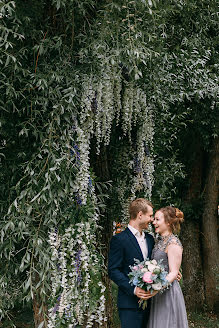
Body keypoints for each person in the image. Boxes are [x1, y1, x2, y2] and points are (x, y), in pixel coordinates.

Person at [108, 198, 155, 328]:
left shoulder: (150, 239)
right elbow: (113, 270)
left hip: (150, 304)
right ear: (140, 215)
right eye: (150, 216)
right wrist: (134, 289)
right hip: (129, 305)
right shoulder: (119, 239)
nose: (152, 219)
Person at [147, 206, 189, 328]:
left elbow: (173, 273)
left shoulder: (173, 243)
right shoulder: (159, 241)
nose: (154, 222)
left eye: (157, 219)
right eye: (154, 219)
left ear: (169, 222)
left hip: (168, 293)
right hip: (157, 292)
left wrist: (157, 288)